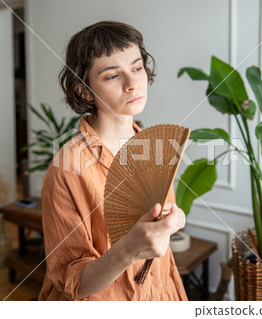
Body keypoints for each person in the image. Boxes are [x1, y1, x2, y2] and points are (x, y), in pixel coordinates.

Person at [38, 21, 188, 301]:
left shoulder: (155, 148)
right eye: (112, 76)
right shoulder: (66, 169)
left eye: (137, 67)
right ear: (84, 90)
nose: (133, 84)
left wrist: (174, 222)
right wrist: (129, 249)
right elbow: (74, 285)